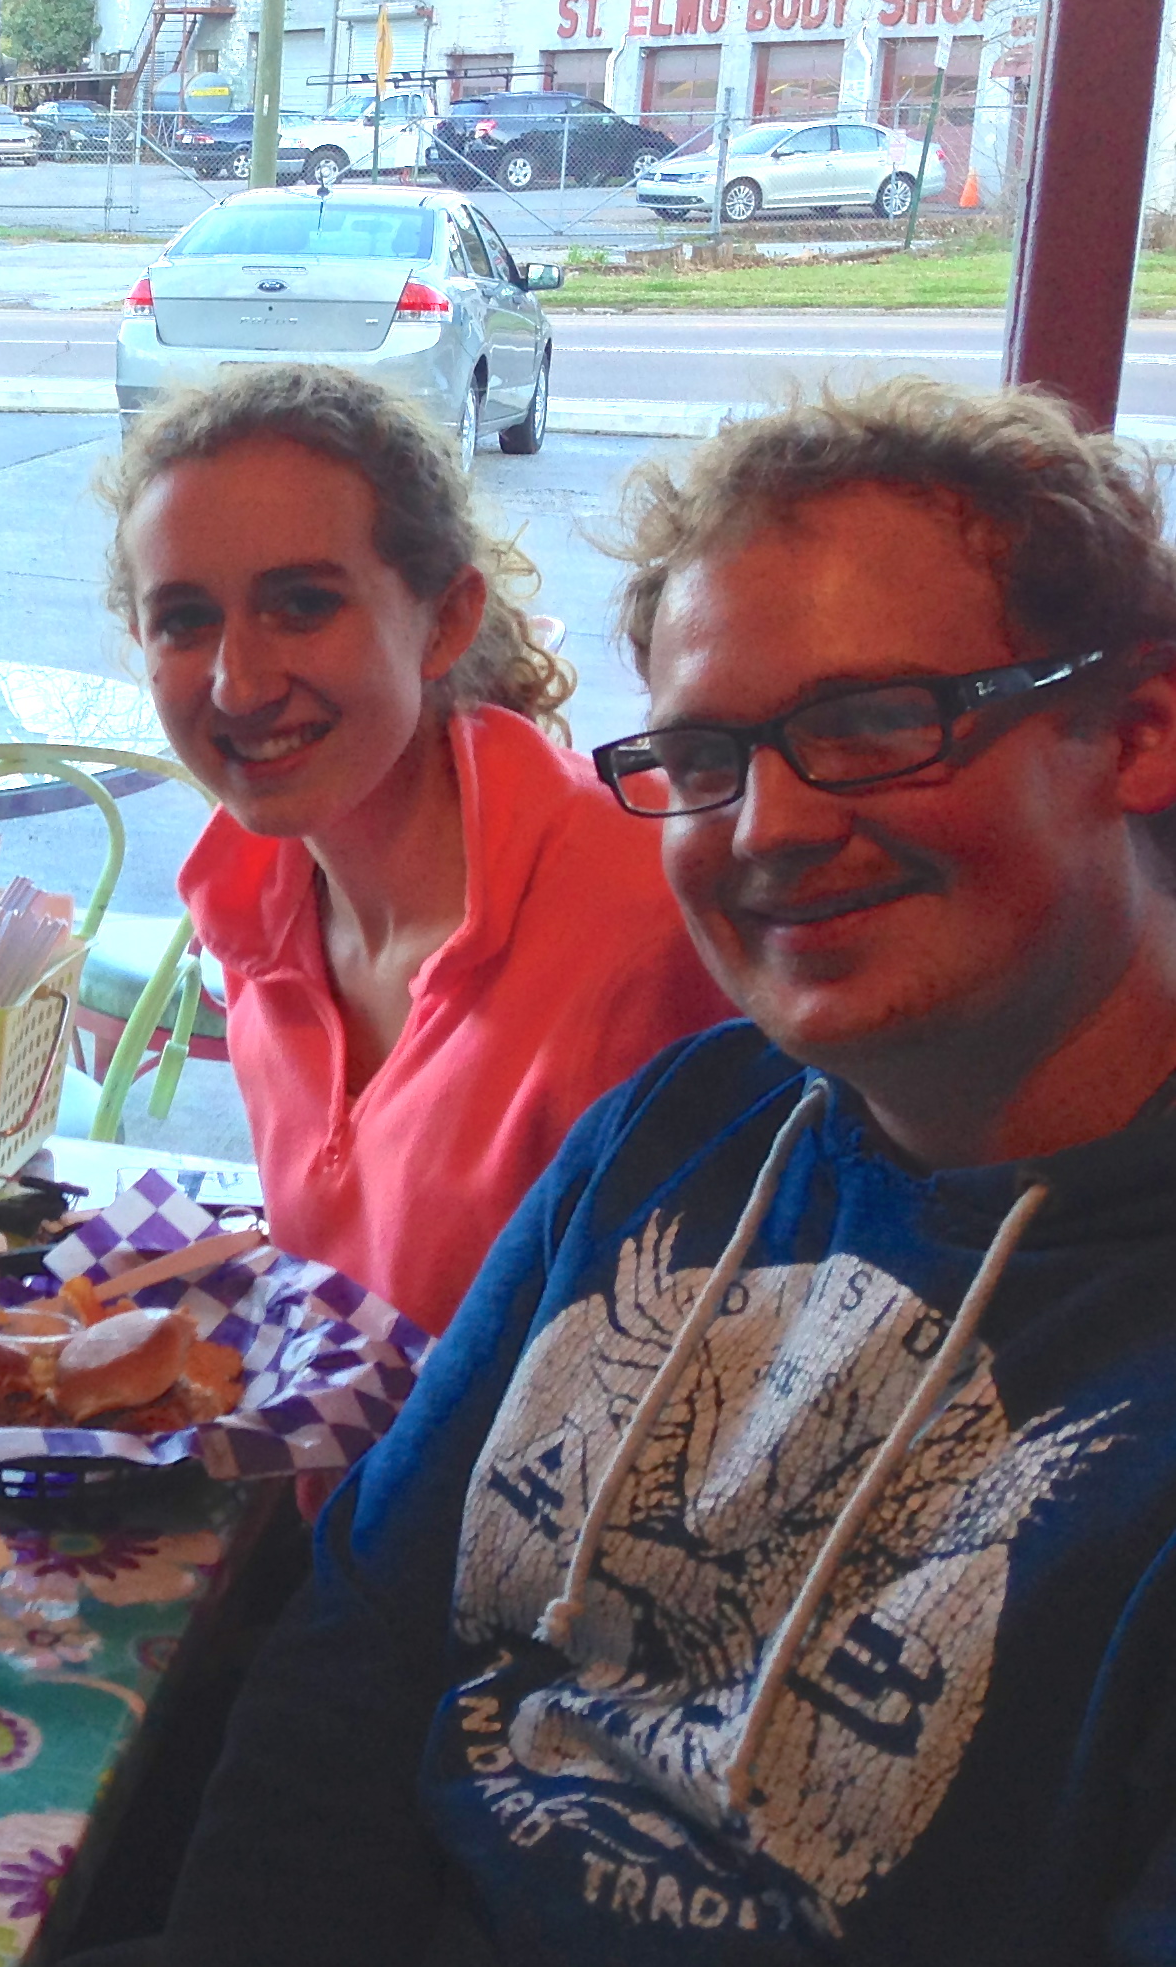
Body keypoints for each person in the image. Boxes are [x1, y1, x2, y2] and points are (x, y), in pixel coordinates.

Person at [132, 381, 1176, 1967]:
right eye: (705, 752)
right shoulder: (684, 1122)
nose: (772, 823)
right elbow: (353, 1654)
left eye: (877, 724)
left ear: (1136, 730)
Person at [103, 363, 727, 1334]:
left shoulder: (650, 906)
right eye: (184, 620)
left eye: (301, 604)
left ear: (445, 620)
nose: (237, 682)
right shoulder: (250, 910)